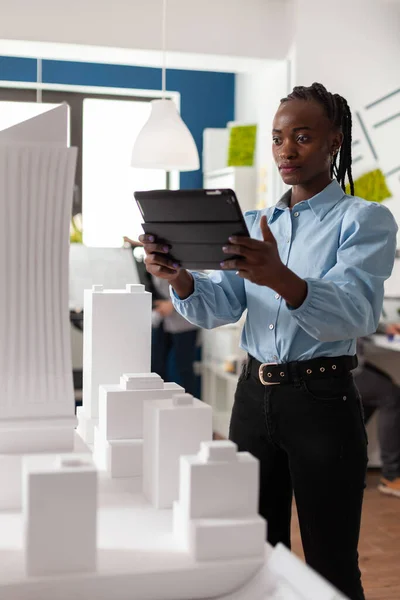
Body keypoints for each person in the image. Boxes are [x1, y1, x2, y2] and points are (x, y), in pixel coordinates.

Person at [139, 83, 398, 600]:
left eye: (303, 136)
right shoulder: (258, 222)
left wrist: (279, 275)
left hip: (322, 401)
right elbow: (223, 305)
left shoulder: (364, 219)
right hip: (253, 399)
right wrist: (180, 279)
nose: (287, 149)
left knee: (329, 562)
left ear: (335, 143)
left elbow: (356, 312)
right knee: (254, 548)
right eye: (279, 138)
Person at [124, 236, 198, 396]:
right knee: (156, 367)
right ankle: (158, 406)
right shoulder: (156, 248)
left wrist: (172, 304)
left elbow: (198, 281)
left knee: (182, 368)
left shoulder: (188, 249)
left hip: (183, 320)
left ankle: (189, 410)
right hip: (161, 319)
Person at [355, 322, 400, 498]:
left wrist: (383, 328)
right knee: (390, 395)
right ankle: (392, 475)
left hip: (347, 363)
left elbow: (361, 318)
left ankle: (344, 458)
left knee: (384, 387)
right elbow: (357, 318)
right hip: (341, 368)